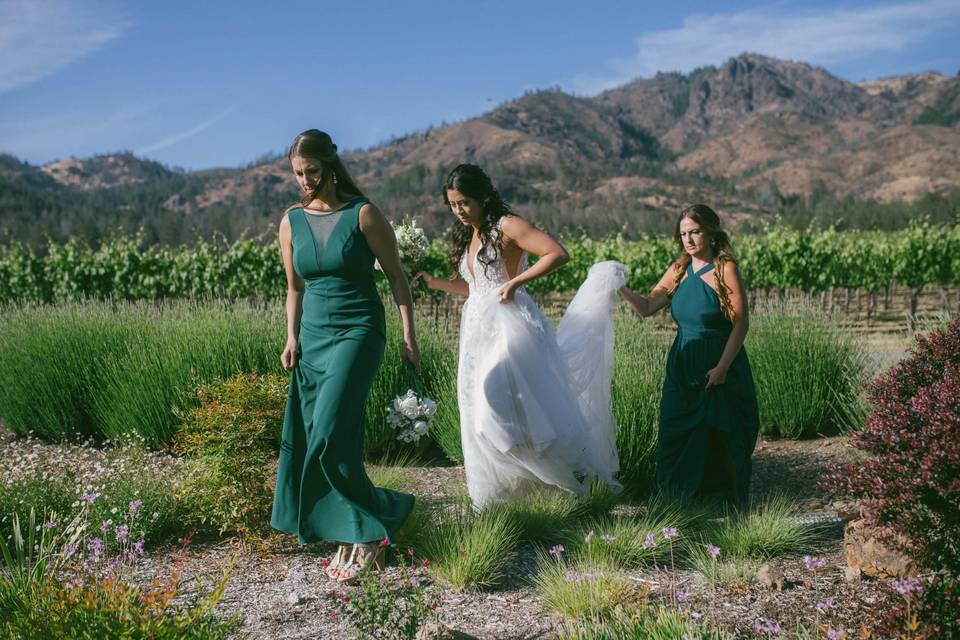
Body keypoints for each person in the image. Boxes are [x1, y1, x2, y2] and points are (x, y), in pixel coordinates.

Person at [416, 164, 623, 509]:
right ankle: (521, 490)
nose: (459, 211)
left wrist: (516, 281)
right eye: (452, 205)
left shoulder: (507, 225)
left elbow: (557, 253)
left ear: (482, 195)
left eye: (464, 202)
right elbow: (475, 288)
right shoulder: (472, 234)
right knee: (493, 411)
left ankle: (565, 471)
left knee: (492, 405)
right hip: (479, 330)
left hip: (511, 326)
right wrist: (433, 282)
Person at [271, 129, 419, 582]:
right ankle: (363, 524)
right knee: (324, 431)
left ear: (330, 165)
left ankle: (366, 533)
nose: (305, 181)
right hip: (312, 338)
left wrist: (409, 335)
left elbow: (396, 278)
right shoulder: (290, 221)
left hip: (359, 329)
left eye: (312, 171)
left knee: (331, 430)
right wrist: (290, 337)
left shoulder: (363, 215)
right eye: (298, 174)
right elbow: (294, 288)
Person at [619, 204, 759, 508]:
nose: (689, 239)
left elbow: (741, 323)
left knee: (725, 436)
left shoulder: (725, 269)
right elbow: (646, 307)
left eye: (694, 231)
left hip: (720, 362)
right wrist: (617, 287)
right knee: (675, 434)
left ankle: (727, 508)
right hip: (683, 365)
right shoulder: (678, 269)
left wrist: (722, 368)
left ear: (710, 233)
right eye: (683, 234)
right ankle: (677, 505)